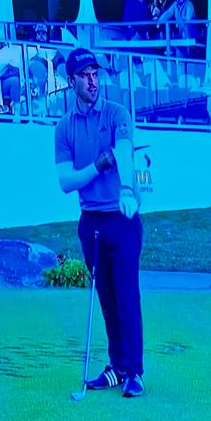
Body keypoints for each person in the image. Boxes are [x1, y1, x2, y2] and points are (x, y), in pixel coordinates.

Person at [53, 46, 145, 397]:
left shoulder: (116, 113)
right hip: (89, 220)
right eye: (85, 75)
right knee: (106, 297)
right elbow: (66, 181)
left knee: (126, 296)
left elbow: (122, 150)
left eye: (96, 74)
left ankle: (134, 371)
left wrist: (124, 187)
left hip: (121, 217)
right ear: (71, 80)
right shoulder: (64, 128)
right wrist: (96, 167)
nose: (93, 81)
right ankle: (117, 366)